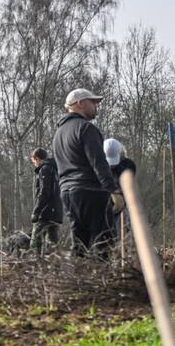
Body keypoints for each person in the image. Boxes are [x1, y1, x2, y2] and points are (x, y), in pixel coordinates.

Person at [52, 89, 124, 256]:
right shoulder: (86, 128)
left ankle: (79, 277)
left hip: (68, 193)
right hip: (90, 191)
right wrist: (114, 191)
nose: (96, 106)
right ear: (79, 103)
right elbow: (99, 163)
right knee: (102, 242)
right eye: (92, 102)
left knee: (80, 242)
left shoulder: (58, 134)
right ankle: (101, 279)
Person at [30, 147, 63, 255]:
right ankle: (54, 268)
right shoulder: (56, 170)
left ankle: (35, 268)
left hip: (45, 212)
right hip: (56, 212)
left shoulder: (44, 170)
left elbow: (44, 192)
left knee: (35, 244)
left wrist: (36, 211)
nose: (34, 163)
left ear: (37, 158)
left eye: (33, 161)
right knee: (53, 245)